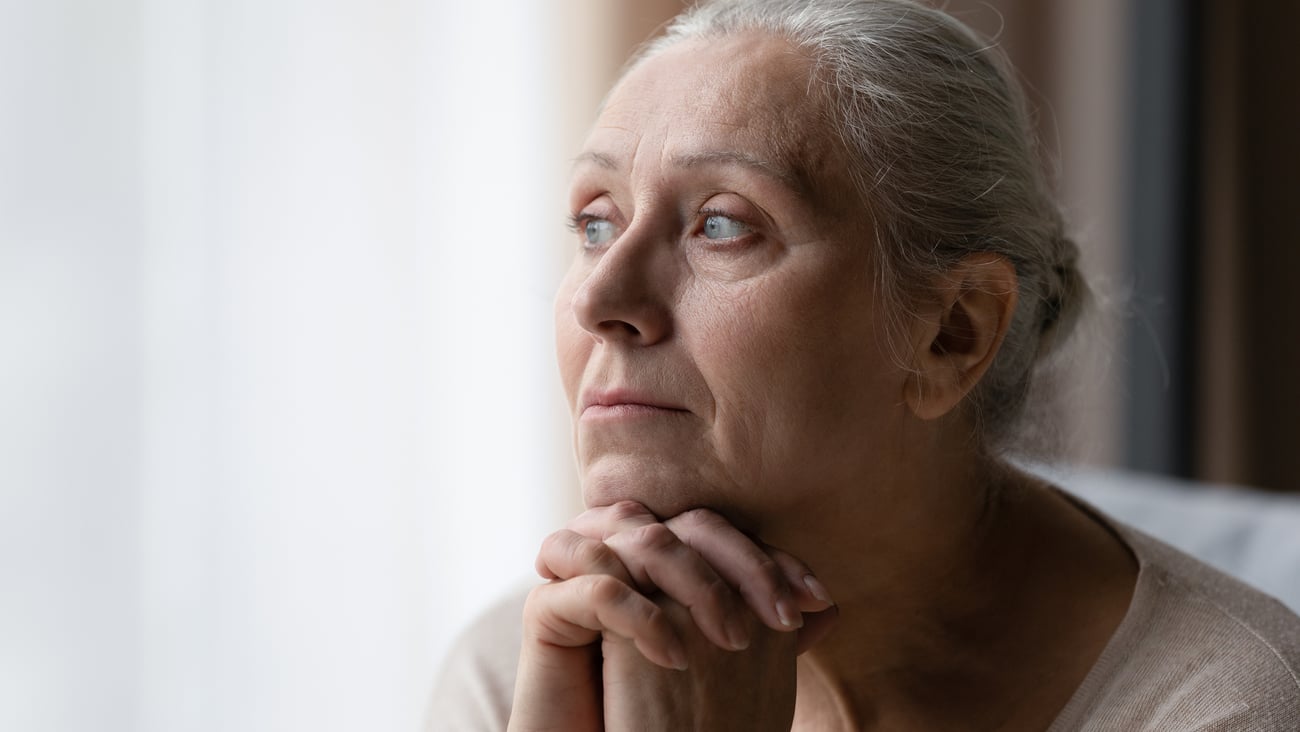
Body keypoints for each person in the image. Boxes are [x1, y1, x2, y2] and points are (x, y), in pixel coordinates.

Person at [430, 0, 1300, 729]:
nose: (599, 298)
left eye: (723, 224)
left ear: (951, 333)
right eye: (596, 222)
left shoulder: (1229, 708)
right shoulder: (523, 671)